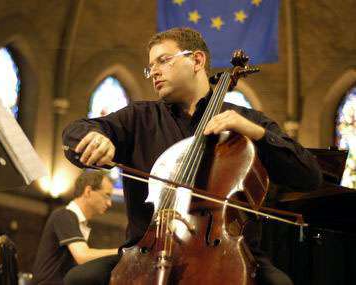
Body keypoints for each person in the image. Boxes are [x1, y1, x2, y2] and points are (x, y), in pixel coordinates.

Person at [62, 27, 322, 285]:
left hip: (226, 252)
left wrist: (255, 133)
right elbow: (75, 132)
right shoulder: (138, 118)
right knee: (79, 279)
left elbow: (309, 175)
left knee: (280, 283)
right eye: (150, 66)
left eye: (163, 60)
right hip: (145, 254)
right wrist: (96, 138)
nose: (153, 71)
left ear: (197, 60)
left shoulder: (247, 122)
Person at [31, 170, 118, 285]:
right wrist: (121, 252)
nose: (109, 203)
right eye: (107, 195)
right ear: (88, 191)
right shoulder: (64, 215)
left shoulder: (77, 221)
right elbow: (83, 256)